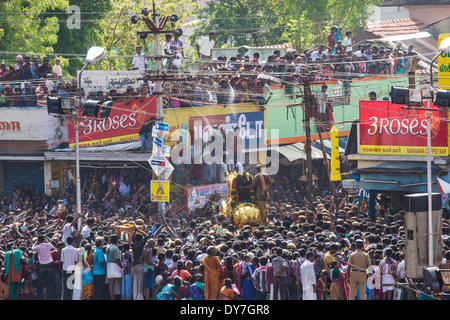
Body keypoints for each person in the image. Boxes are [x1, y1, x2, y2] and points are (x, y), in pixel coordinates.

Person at [33, 234, 55, 300]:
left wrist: (35, 242)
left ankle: (39, 297)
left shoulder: (38, 247)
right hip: (49, 264)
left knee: (40, 282)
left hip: (42, 265)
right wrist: (46, 241)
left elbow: (33, 248)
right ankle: (49, 297)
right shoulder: (48, 245)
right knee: (49, 281)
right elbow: (53, 246)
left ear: (38, 240)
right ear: (44, 239)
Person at [61, 236, 78, 300]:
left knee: (65, 286)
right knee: (71, 285)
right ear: (72, 241)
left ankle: (65, 298)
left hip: (65, 268)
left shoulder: (63, 250)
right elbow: (76, 260)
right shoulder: (75, 250)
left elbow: (62, 259)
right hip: (72, 268)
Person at [106, 234, 122, 300]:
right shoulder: (115, 248)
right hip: (115, 265)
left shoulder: (108, 247)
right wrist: (121, 266)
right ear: (117, 240)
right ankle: (121, 297)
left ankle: (112, 298)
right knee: (120, 283)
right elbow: (117, 259)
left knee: (111, 284)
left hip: (109, 265)